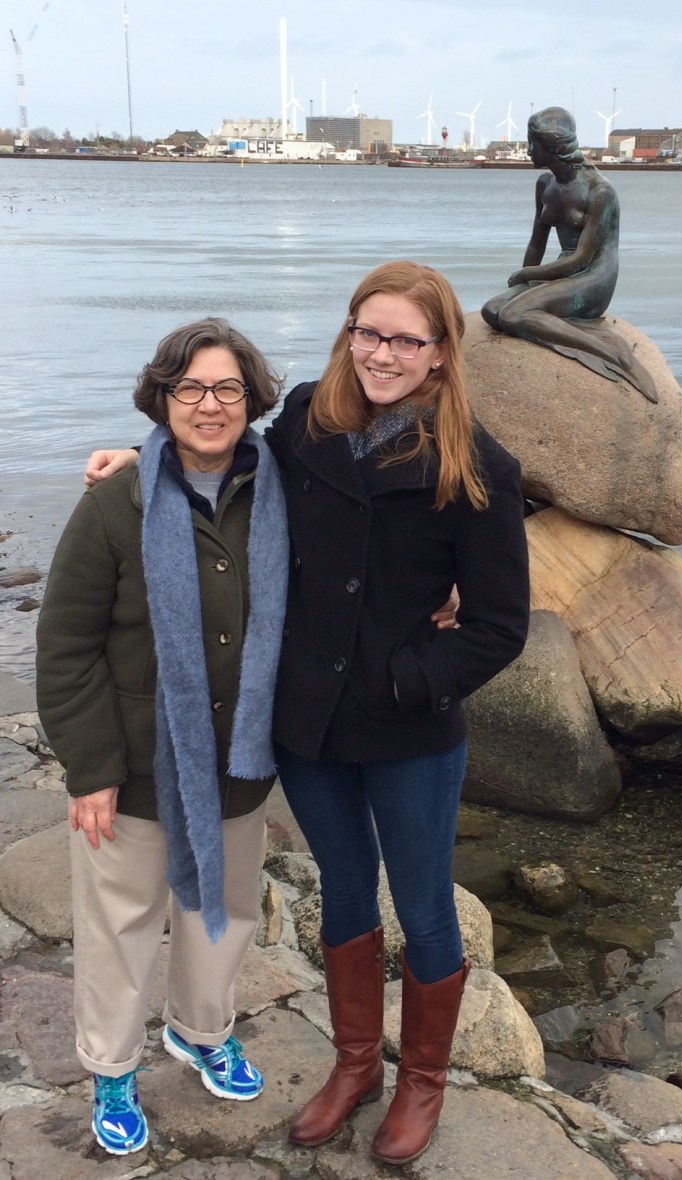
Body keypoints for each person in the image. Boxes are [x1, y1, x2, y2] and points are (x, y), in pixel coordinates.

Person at [85, 260, 531, 1166]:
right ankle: (355, 1065)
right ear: (348, 334)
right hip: (309, 723)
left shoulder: (478, 465)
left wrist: (410, 677)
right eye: (368, 332)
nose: (381, 353)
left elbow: (497, 628)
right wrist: (145, 460)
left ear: (441, 354)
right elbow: (223, 461)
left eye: (406, 339)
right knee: (342, 893)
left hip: (408, 729)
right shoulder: (303, 425)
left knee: (424, 908)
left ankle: (421, 1084)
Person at [36, 319, 289, 1156]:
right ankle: (112, 1068)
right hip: (136, 764)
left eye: (226, 389)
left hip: (239, 762)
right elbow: (66, 646)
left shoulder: (286, 493)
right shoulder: (117, 503)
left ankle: (201, 1031)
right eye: (190, 389)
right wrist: (91, 769)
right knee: (120, 922)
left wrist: (447, 594)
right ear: (162, 397)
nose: (208, 405)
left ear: (252, 398)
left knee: (223, 910)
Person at [481, 105, 658, 403]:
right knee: (492, 311)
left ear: (551, 146)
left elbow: (582, 259)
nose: (527, 151)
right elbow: (536, 244)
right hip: (563, 271)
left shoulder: (600, 191)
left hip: (593, 277)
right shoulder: (545, 185)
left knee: (513, 314)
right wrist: (521, 285)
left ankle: (612, 352)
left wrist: (528, 276)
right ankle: (556, 322)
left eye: (532, 143)